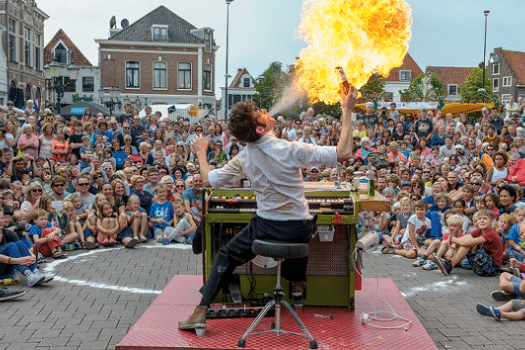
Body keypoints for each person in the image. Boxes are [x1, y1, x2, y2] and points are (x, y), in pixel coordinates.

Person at [178, 83, 358, 331]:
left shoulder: (244, 156)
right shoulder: (290, 149)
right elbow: (344, 152)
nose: (264, 109)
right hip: (300, 229)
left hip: (266, 227)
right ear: (260, 128)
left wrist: (200, 152)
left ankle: (200, 311)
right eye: (258, 111)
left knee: (226, 254)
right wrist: (348, 109)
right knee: (306, 227)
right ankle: (297, 285)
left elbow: (208, 181)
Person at [434, 210, 502, 277]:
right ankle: (448, 263)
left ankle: (449, 266)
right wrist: (452, 249)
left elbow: (468, 242)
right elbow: (464, 238)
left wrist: (454, 239)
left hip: (492, 268)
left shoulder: (491, 233)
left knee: (469, 243)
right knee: (466, 240)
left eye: (485, 218)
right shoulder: (479, 230)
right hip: (481, 267)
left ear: (492, 221)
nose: (481, 220)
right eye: (479, 219)